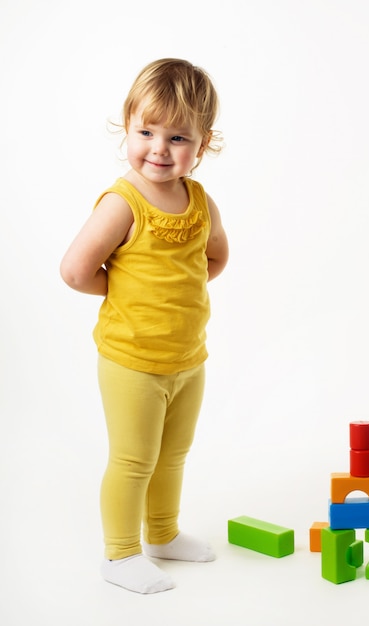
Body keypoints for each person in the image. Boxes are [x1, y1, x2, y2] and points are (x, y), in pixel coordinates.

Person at [60, 58, 229, 594]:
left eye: (178, 136)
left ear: (202, 146)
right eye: (146, 131)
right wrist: (126, 291)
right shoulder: (122, 201)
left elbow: (217, 258)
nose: (159, 148)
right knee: (134, 459)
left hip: (187, 360)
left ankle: (162, 534)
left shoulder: (200, 202)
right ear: (127, 128)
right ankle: (120, 554)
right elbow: (75, 270)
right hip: (131, 361)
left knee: (172, 456)